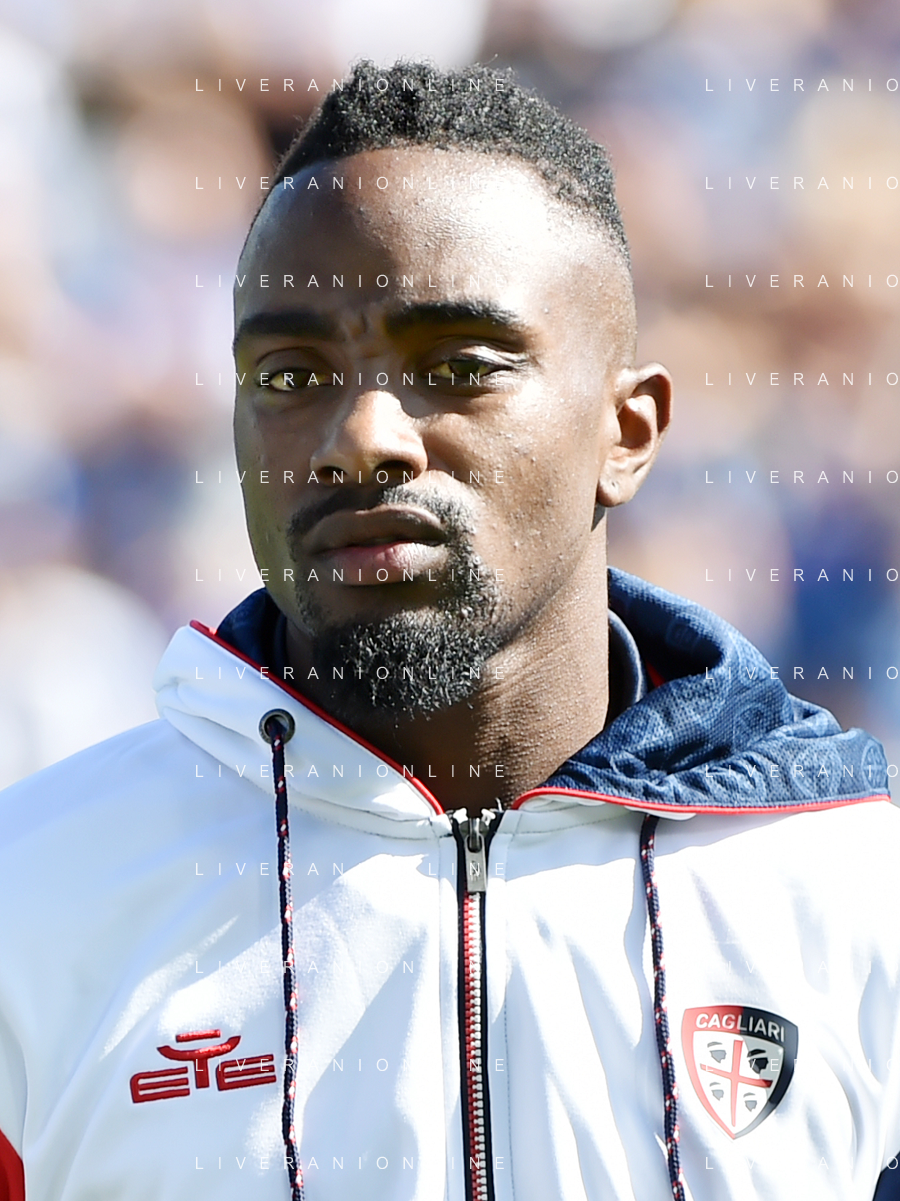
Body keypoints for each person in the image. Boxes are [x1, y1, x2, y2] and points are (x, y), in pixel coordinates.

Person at [0, 60, 898, 1201]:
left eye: (458, 366)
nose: (362, 436)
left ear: (629, 433)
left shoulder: (852, 894)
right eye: (291, 372)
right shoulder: (35, 900)